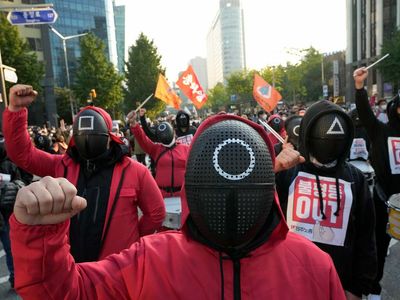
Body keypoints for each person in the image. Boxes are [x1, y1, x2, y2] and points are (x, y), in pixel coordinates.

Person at [10, 114, 345, 300]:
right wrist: (40, 236)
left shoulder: (314, 267)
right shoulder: (149, 260)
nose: (229, 195)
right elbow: (64, 292)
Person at [3, 84, 165, 262]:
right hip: (72, 270)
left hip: (118, 273)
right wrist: (16, 111)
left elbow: (156, 212)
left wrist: (133, 241)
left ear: (110, 138)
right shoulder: (62, 166)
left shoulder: (135, 171)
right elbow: (23, 155)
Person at [275, 100, 377, 299]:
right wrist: (273, 170)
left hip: (340, 284)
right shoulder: (287, 173)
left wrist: (358, 288)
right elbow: (262, 219)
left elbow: (366, 236)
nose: (329, 142)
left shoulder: (355, 178)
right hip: (289, 281)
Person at [353, 67, 400, 300]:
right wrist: (360, 87)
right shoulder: (380, 131)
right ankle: (373, 288)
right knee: (379, 247)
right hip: (384, 200)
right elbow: (364, 112)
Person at [128, 110, 189, 199]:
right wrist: (134, 123)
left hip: (183, 195)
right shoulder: (156, 149)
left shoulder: (186, 149)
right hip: (162, 195)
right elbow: (142, 139)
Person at [0, 133, 31, 289]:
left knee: (12, 247)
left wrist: (17, 186)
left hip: (8, 213)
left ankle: (15, 277)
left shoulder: (12, 161)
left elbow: (27, 179)